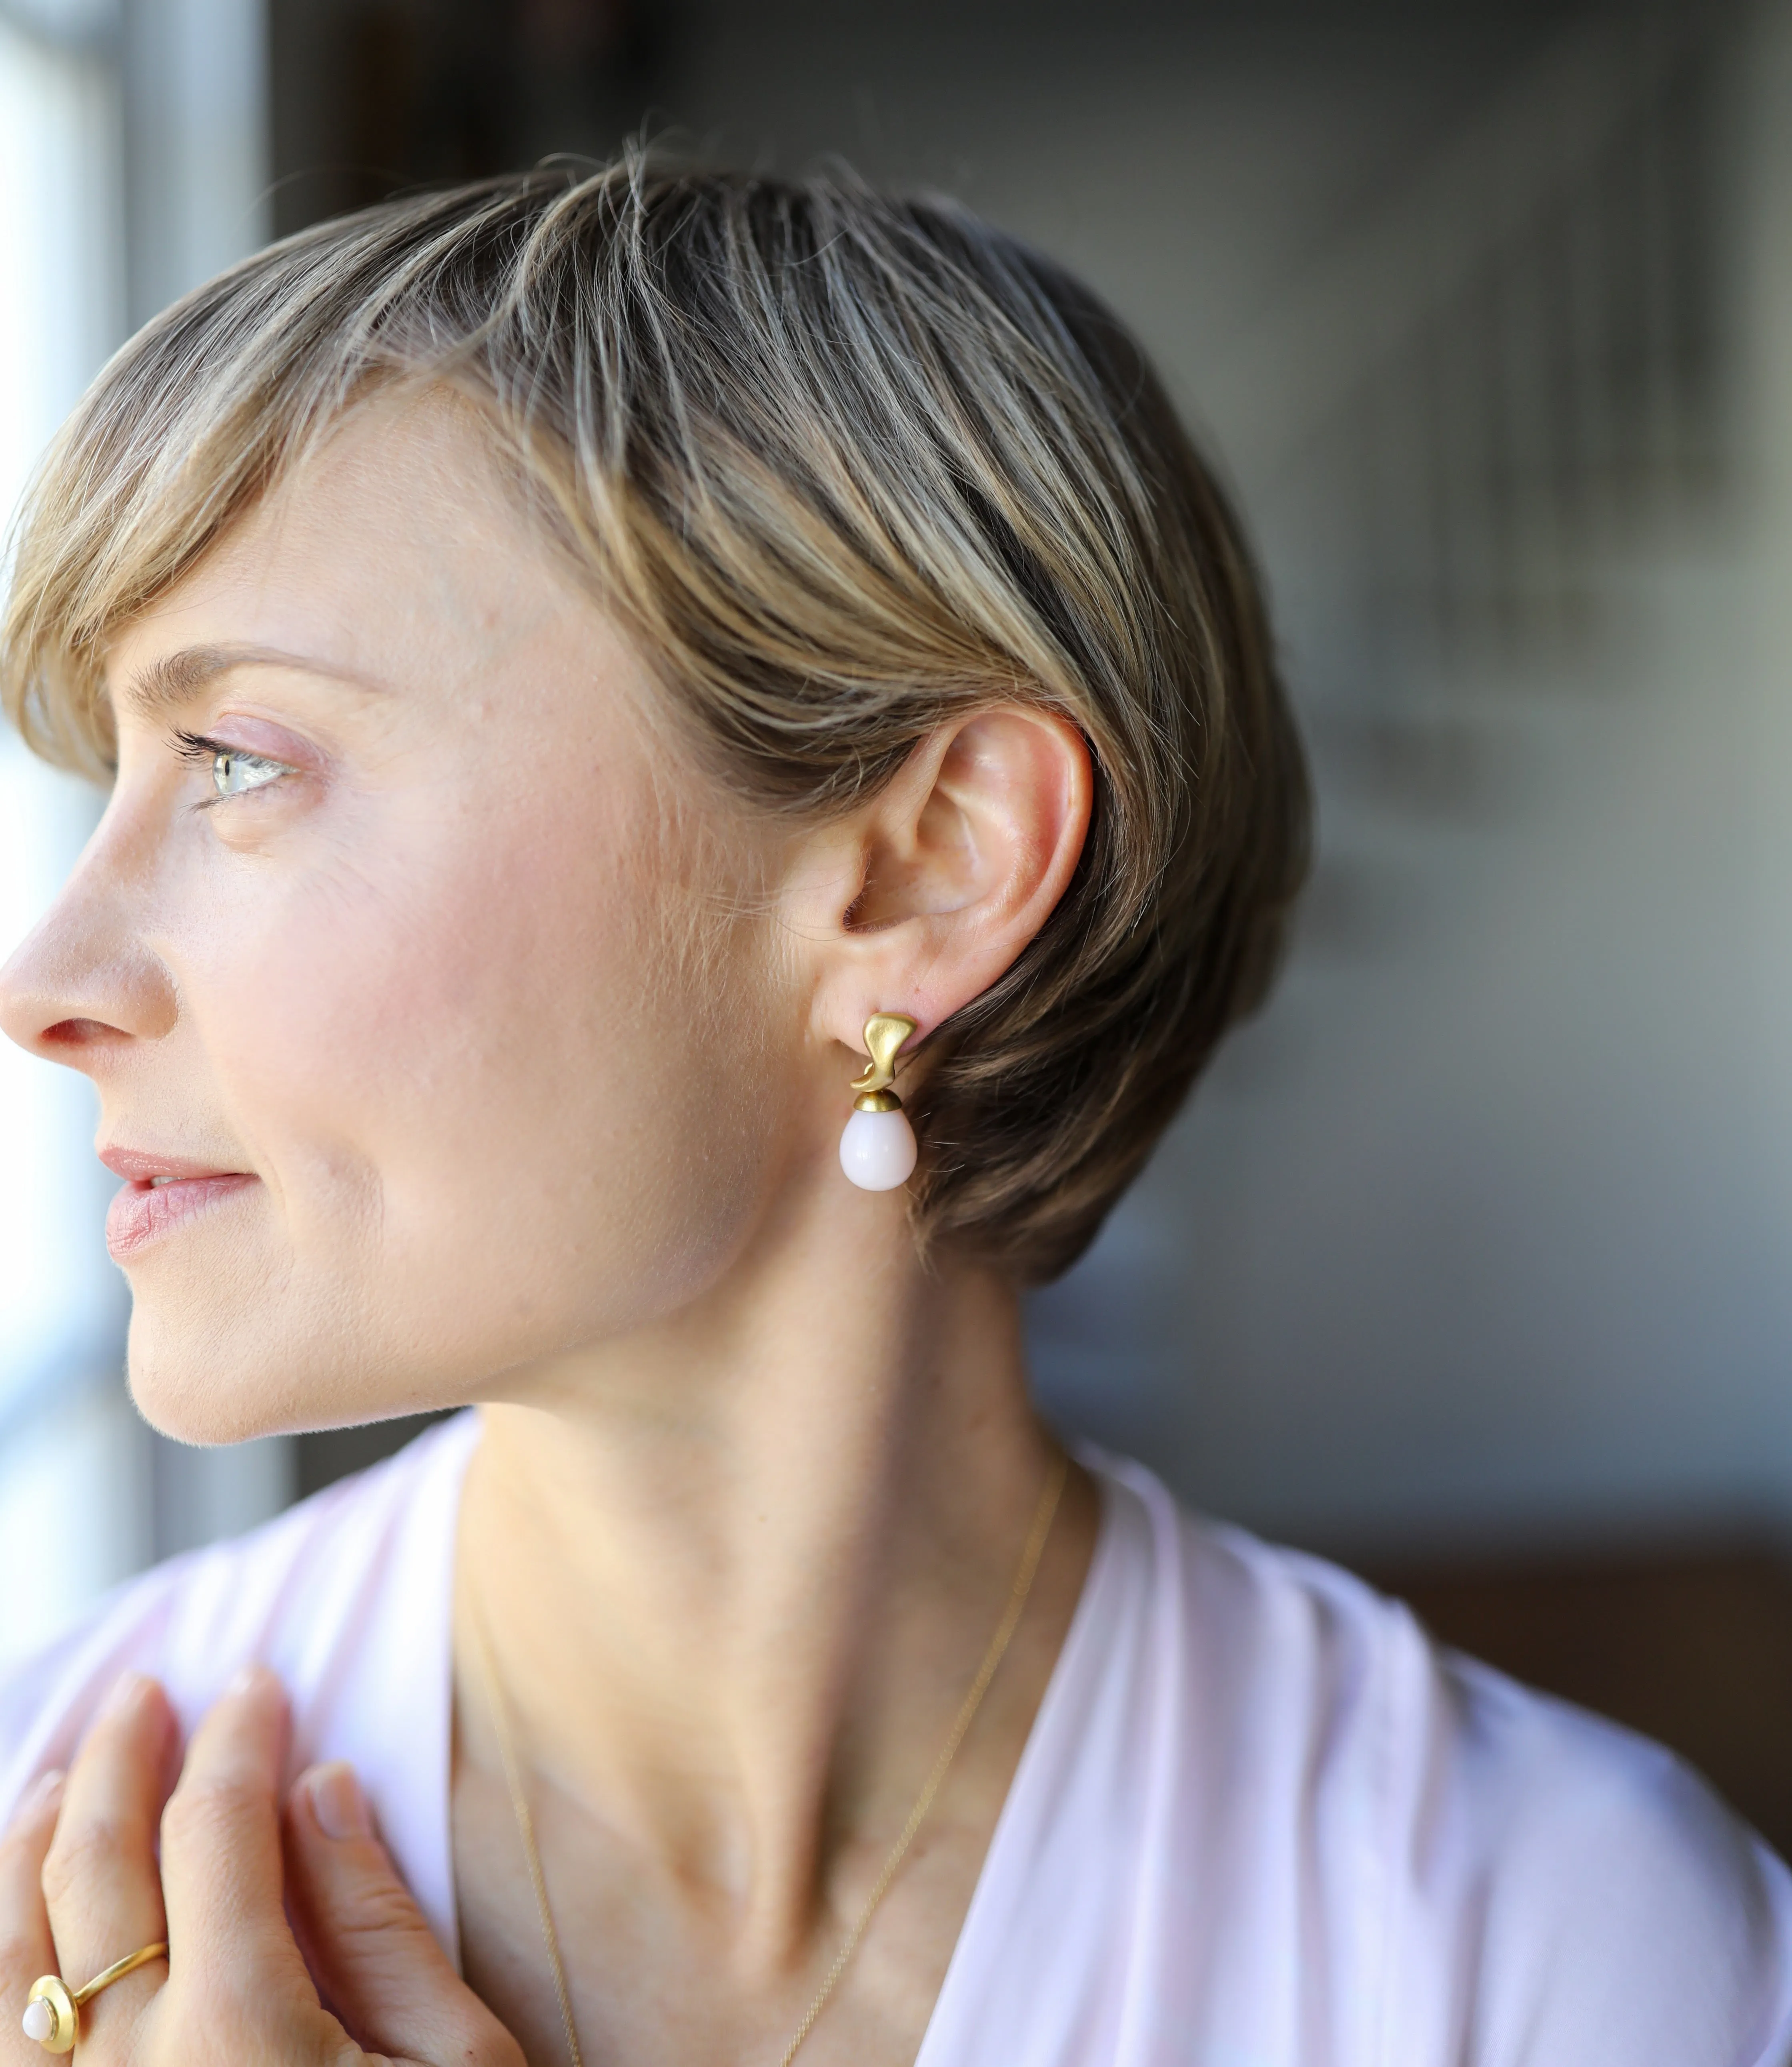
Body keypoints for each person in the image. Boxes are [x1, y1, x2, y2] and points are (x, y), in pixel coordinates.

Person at [0, 161, 1785, 2067]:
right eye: (115, 777)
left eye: (241, 761)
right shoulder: (56, 1864)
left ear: (931, 865)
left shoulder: (1566, 1957)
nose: (47, 982)